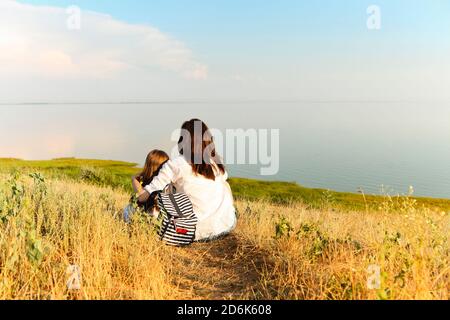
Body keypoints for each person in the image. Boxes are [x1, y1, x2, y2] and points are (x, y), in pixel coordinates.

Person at [137, 119, 237, 241]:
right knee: (224, 184)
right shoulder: (215, 164)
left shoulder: (175, 164)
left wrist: (135, 182)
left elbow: (147, 194)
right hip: (225, 225)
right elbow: (224, 177)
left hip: (194, 230)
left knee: (143, 207)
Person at [123, 150, 169, 222]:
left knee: (128, 209)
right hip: (161, 220)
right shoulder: (167, 184)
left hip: (150, 219)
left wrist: (134, 179)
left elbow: (141, 197)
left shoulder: (154, 185)